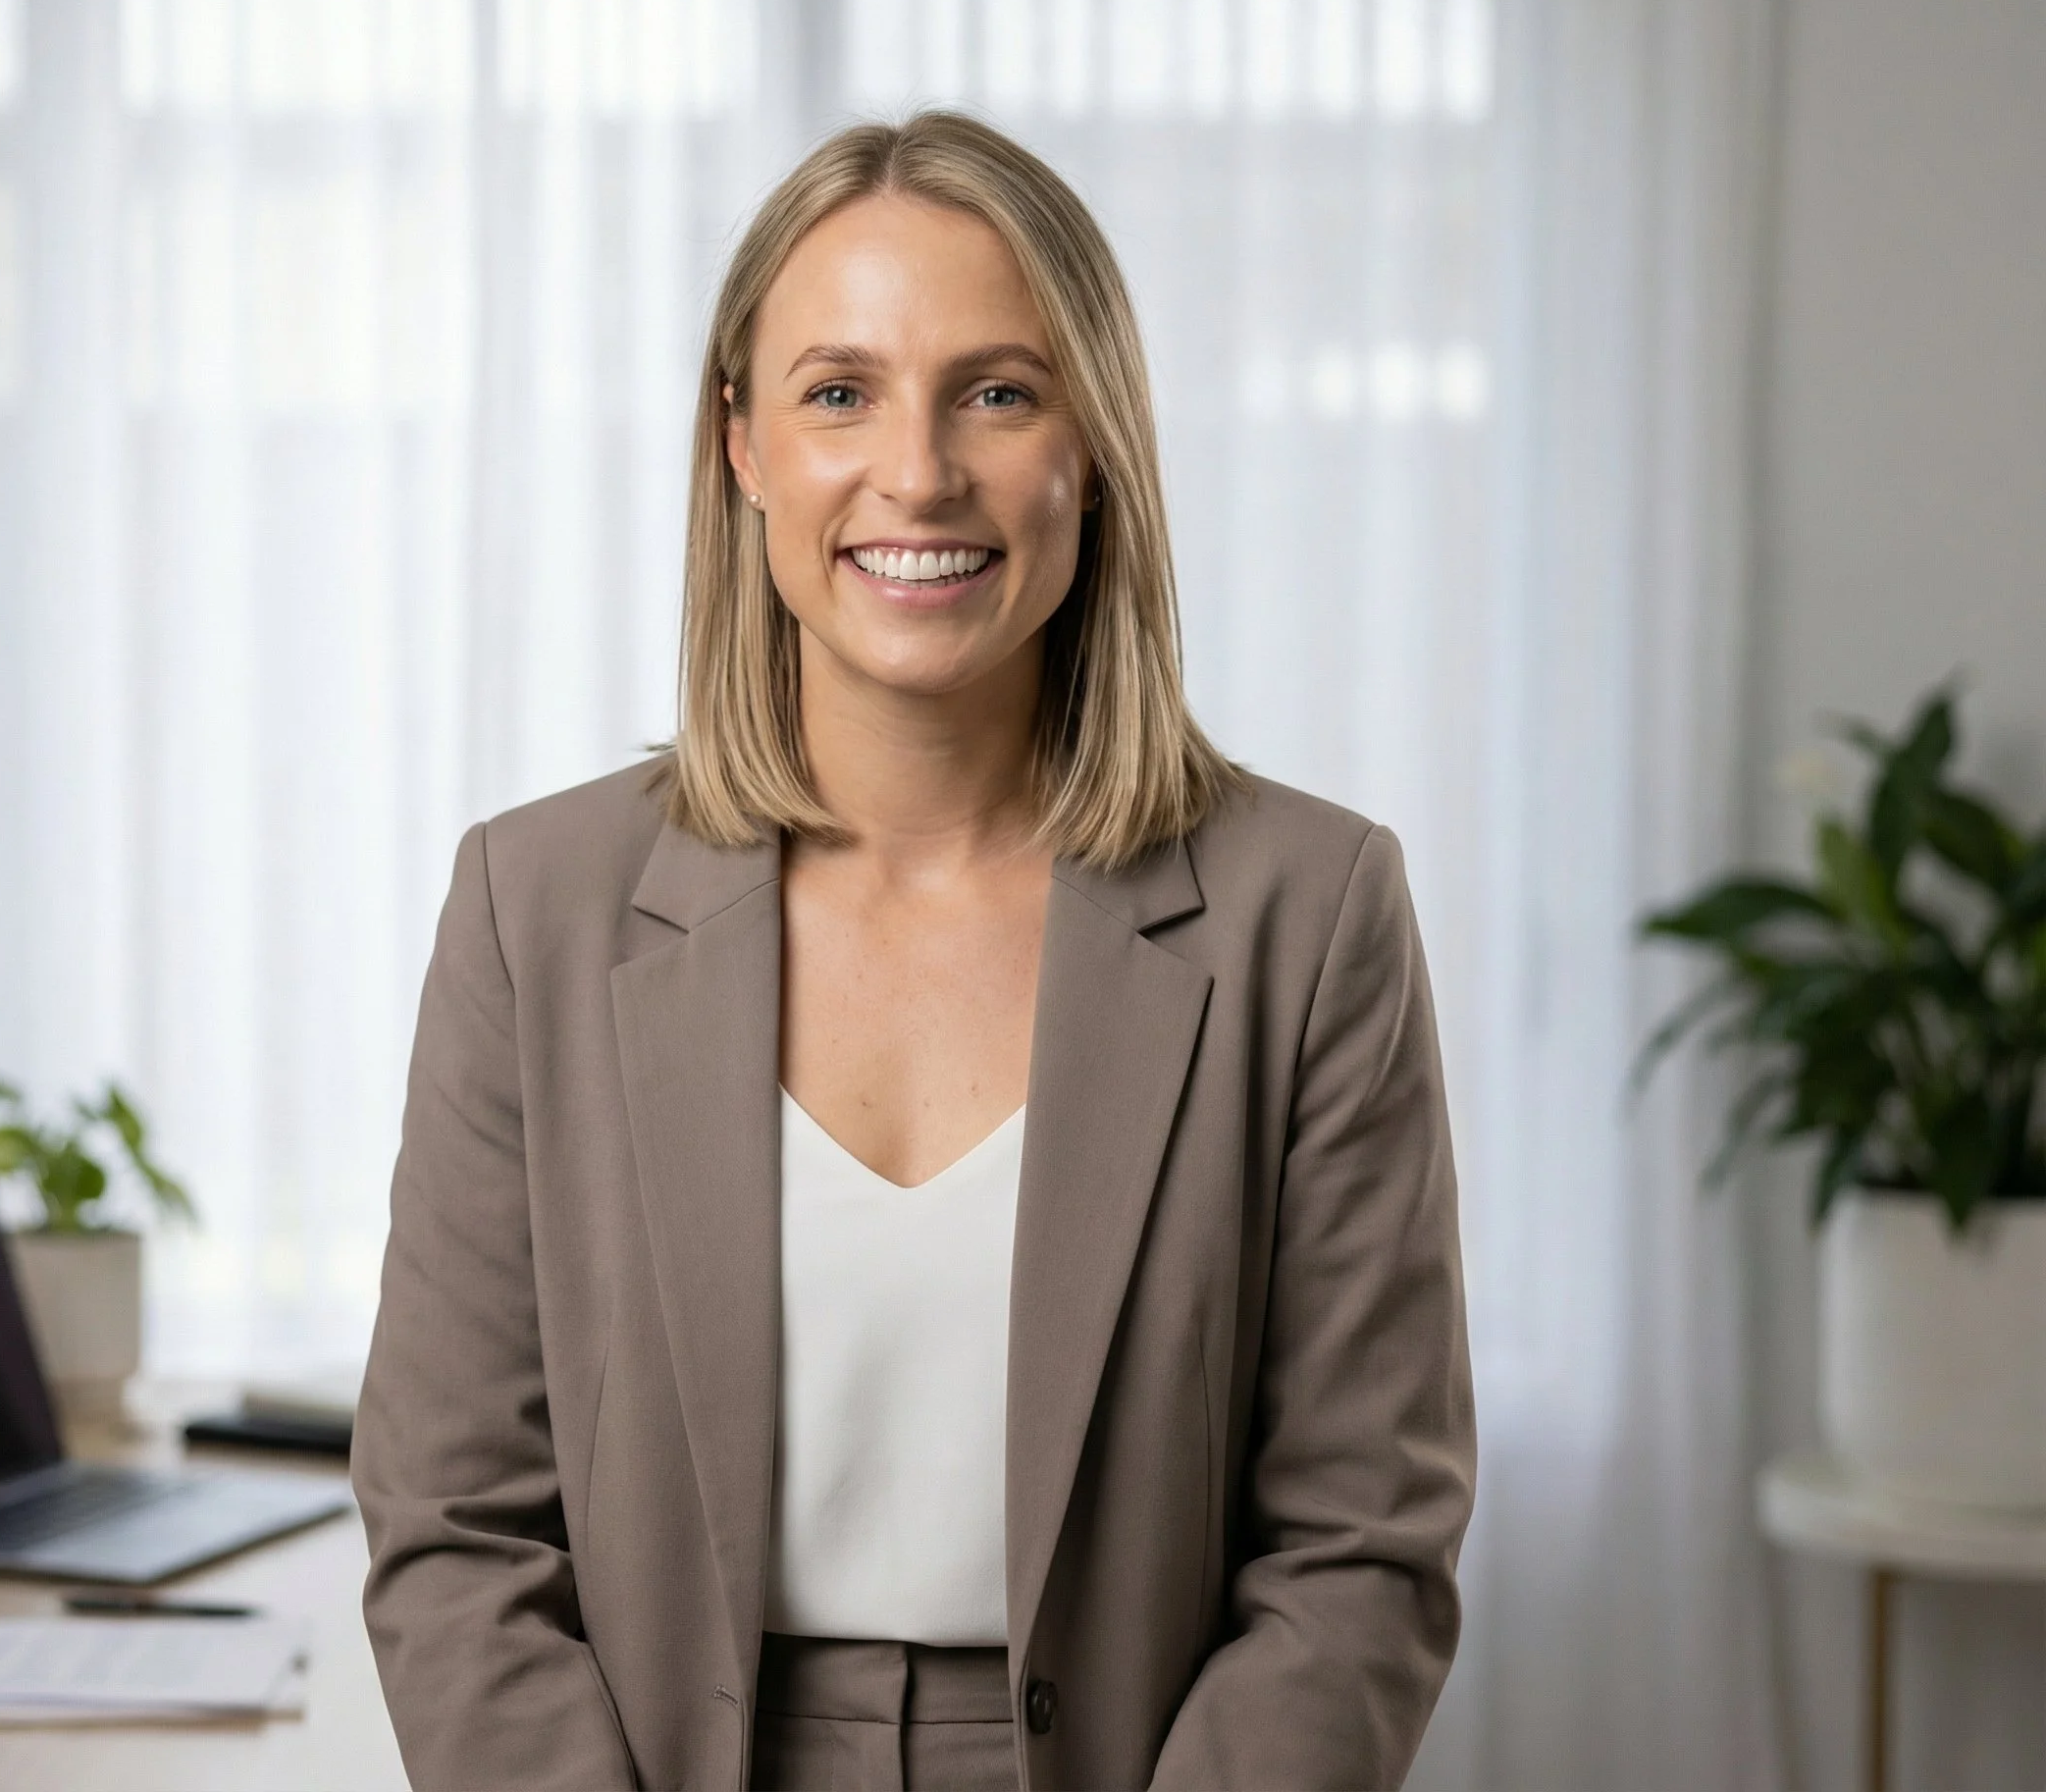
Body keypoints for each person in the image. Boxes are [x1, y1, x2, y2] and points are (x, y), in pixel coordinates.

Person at [352, 109, 1475, 1792]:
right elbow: (450, 1531)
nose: (921, 471)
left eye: (998, 391)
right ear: (741, 445)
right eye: (839, 391)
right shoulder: (539, 910)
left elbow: (1360, 1549)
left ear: (1090, 442)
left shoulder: (1307, 916)